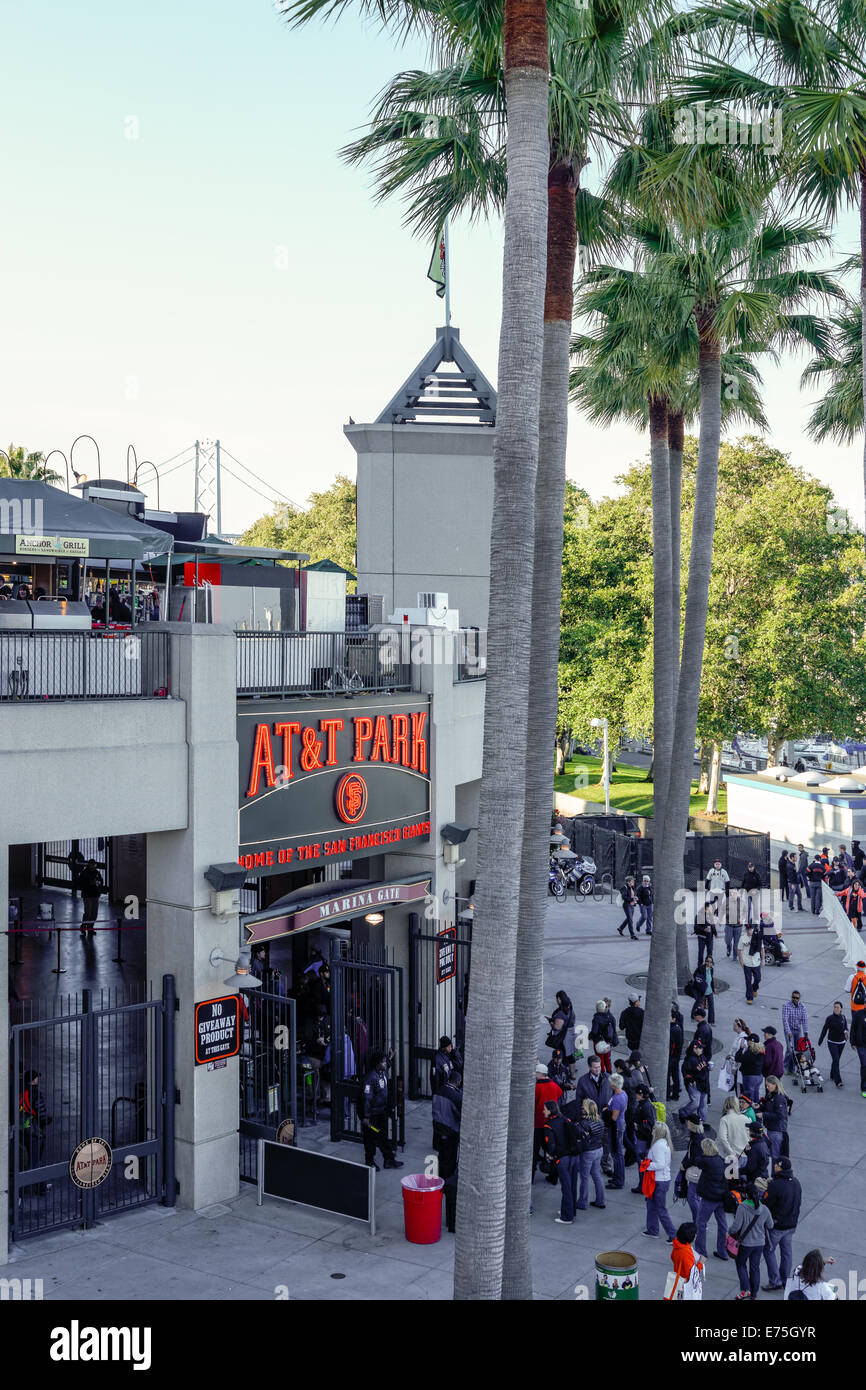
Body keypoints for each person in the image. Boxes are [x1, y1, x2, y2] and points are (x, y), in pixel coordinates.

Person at [762, 1156, 802, 1291]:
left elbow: (766, 1204)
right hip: (791, 1225)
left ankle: (775, 1280)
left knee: (768, 1250)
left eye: (776, 1166)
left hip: (777, 1226)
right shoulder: (796, 1182)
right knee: (786, 1252)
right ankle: (785, 1279)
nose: (774, 1167)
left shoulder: (775, 1185)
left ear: (780, 1167)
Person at [730, 1182, 774, 1300]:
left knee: (740, 1264)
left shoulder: (742, 1207)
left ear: (745, 1194)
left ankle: (746, 1290)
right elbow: (770, 1225)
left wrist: (729, 1232)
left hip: (745, 1244)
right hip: (760, 1243)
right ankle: (754, 1294)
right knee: (755, 1267)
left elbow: (736, 1227)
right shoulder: (764, 1209)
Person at [360, 1049, 403, 1170]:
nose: (385, 1064)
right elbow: (366, 1099)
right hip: (372, 1117)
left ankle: (388, 1160)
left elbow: (387, 1065)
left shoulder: (381, 1072)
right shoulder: (370, 1078)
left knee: (383, 1136)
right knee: (371, 1138)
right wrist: (366, 1117)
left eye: (385, 1062)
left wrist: (390, 1058)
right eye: (383, 1062)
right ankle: (369, 1161)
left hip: (381, 1113)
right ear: (377, 1063)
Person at [693, 1138, 730, 1261]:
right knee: (722, 1224)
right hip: (721, 1197)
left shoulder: (705, 1161)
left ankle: (700, 1251)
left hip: (709, 1198)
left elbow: (696, 1160)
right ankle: (723, 1251)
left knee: (701, 1223)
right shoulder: (720, 1160)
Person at [643, 1121, 677, 1241]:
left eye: (653, 1129)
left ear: (657, 1132)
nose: (652, 1131)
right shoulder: (665, 1143)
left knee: (660, 1209)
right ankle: (652, 1230)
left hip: (658, 1181)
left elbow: (660, 1164)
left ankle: (673, 1236)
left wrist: (647, 1165)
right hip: (661, 1180)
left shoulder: (658, 1145)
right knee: (651, 1205)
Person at [546, 1100, 579, 1224]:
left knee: (566, 1188)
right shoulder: (566, 1120)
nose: (543, 1111)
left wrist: (551, 1156)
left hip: (563, 1158)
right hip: (574, 1156)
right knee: (573, 1185)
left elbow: (551, 1145)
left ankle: (567, 1217)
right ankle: (570, 1210)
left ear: (549, 1111)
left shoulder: (549, 1125)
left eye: (545, 1109)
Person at [575, 1099, 606, 1211]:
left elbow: (580, 1140)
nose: (581, 1109)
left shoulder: (583, 1124)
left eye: (583, 1107)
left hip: (588, 1152)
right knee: (597, 1175)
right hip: (599, 1149)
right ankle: (600, 1200)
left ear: (586, 1109)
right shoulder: (600, 1120)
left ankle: (582, 1202)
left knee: (584, 1177)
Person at [534, 1062, 563, 1179]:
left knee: (535, 1150)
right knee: (551, 1150)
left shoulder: (537, 1087)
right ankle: (553, 1176)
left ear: (540, 1074)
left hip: (539, 1123)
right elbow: (560, 1094)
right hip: (552, 1123)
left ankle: (531, 1175)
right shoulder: (554, 1085)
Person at [431, 1070, 461, 1182]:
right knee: (450, 1158)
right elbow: (460, 1114)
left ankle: (439, 1178)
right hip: (451, 1132)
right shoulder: (457, 1096)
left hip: (438, 1129)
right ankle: (446, 1182)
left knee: (441, 1155)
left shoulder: (438, 1091)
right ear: (458, 1082)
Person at [630, 1083, 656, 1194]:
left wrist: (638, 1126)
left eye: (637, 1093)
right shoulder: (645, 1104)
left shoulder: (645, 1107)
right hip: (643, 1139)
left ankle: (643, 1186)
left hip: (643, 1140)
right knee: (644, 1163)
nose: (636, 1095)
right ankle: (644, 1185)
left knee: (643, 1163)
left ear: (641, 1095)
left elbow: (649, 1125)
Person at [668, 1222, 705, 1301]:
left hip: (678, 1279)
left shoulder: (677, 1244)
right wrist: (700, 1263)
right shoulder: (686, 1252)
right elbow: (692, 1273)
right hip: (685, 1283)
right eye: (695, 1234)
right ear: (691, 1236)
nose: (696, 1235)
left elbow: (672, 1257)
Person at [678, 1039, 710, 1126]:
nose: (702, 1049)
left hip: (703, 1084)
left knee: (703, 1104)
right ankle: (683, 1112)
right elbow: (685, 1073)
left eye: (702, 1048)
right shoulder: (689, 1060)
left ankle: (702, 1122)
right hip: (694, 1085)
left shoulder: (703, 1057)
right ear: (694, 1048)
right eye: (700, 1048)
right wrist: (691, 1080)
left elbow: (706, 1069)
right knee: (696, 1103)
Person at [818, 1001, 849, 1087]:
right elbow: (824, 1029)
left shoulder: (843, 1017)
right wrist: (820, 1039)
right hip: (832, 1042)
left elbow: (845, 1028)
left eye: (837, 1007)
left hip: (841, 1042)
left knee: (836, 1059)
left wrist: (846, 1033)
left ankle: (832, 1074)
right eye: (834, 1007)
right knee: (836, 1059)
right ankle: (838, 1080)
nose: (836, 1009)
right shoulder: (829, 1018)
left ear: (841, 1009)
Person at [680, 1117, 705, 1221]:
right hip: (697, 1170)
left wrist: (684, 1165)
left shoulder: (696, 1139)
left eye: (688, 1122)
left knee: (691, 1198)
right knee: (695, 1197)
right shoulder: (697, 1136)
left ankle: (699, 1220)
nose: (686, 1123)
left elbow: (695, 1158)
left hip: (695, 1172)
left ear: (691, 1124)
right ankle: (700, 1219)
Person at [759, 1075, 789, 1162]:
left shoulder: (779, 1098)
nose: (767, 1087)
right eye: (766, 1085)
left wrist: (764, 1115)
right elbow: (769, 1108)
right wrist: (760, 1106)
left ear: (775, 1085)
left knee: (775, 1157)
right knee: (773, 1156)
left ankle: (775, 1175)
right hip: (772, 1129)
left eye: (768, 1085)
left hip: (776, 1131)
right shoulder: (772, 1095)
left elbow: (780, 1115)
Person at [547, 991, 576, 1079]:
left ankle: (560, 1072)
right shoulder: (570, 1008)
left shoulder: (561, 1014)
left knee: (560, 1054)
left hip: (564, 1037)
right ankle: (572, 1074)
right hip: (571, 1033)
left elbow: (557, 1027)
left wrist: (551, 1022)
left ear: (559, 999)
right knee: (570, 1055)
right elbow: (573, 1020)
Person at [606, 1072, 628, 1191]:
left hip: (616, 1128)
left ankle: (618, 1180)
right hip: (621, 1124)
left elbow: (613, 1117)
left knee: (616, 1153)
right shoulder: (623, 1094)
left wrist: (606, 1112)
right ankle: (618, 1177)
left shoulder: (617, 1099)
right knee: (618, 1153)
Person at [718, 1092, 750, 1169]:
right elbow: (751, 1135)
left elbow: (723, 1138)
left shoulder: (724, 1119)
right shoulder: (745, 1118)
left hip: (732, 1156)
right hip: (745, 1154)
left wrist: (731, 1153)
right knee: (743, 1179)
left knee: (731, 1179)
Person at [782, 990, 808, 1073]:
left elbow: (804, 1020)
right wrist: (789, 1032)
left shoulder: (802, 1007)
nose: (795, 999)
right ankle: (784, 1067)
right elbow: (785, 1020)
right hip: (789, 1029)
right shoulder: (786, 1005)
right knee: (790, 1050)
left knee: (797, 1049)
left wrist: (805, 1032)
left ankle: (792, 1068)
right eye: (793, 997)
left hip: (798, 1029)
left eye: (797, 998)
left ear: (799, 998)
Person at [588, 999, 618, 1073]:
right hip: (607, 1042)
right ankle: (609, 1072)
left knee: (600, 1059)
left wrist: (590, 1035)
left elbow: (594, 1031)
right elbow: (613, 1030)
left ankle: (602, 1073)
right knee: (607, 1059)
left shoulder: (596, 1018)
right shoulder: (610, 1017)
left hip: (598, 1042)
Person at [738, 924, 764, 1004]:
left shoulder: (758, 937)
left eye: (751, 929)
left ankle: (754, 988)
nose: (750, 931)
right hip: (747, 962)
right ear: (746, 930)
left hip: (756, 962)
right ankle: (749, 997)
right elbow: (739, 950)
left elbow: (762, 949)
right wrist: (741, 961)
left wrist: (763, 960)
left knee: (758, 978)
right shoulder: (743, 938)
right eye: (748, 930)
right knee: (748, 980)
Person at [738, 1035, 765, 1105]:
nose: (747, 1042)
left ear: (750, 1042)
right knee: (756, 1094)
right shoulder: (761, 1051)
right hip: (759, 1076)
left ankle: (750, 1112)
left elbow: (738, 1058)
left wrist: (741, 1049)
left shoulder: (749, 1053)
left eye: (748, 1041)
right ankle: (757, 1110)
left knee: (748, 1097)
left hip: (750, 1077)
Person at [79, 858, 103, 936]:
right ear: (89, 865)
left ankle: (90, 928)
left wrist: (97, 883)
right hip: (87, 895)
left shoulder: (96, 873)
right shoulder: (85, 873)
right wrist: (89, 883)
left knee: (94, 913)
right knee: (88, 913)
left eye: (93, 865)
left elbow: (101, 882)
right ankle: (83, 927)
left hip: (95, 895)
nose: (92, 866)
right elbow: (81, 883)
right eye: (91, 864)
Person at [740, 861, 762, 935]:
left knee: (755, 908)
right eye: (749, 867)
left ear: (754, 867)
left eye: (751, 867)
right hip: (747, 893)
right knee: (747, 909)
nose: (750, 868)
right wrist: (741, 892)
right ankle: (747, 924)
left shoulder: (757, 874)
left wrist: (756, 890)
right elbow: (743, 883)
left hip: (755, 894)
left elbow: (760, 884)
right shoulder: (745, 873)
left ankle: (756, 924)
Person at [668, 1007, 684, 1101]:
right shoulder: (678, 1028)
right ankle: (675, 1093)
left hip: (672, 1056)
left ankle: (669, 1094)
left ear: (674, 1018)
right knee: (675, 1075)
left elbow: (671, 1045)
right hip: (676, 1056)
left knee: (671, 1075)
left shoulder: (673, 1029)